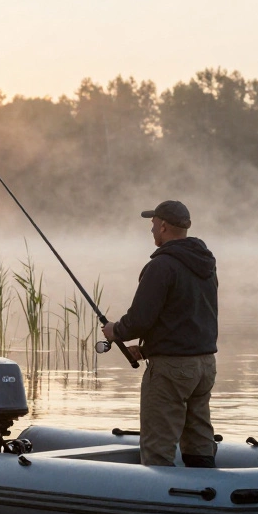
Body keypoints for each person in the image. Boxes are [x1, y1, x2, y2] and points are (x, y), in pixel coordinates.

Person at [101, 200, 218, 468]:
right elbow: (188, 314)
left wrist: (114, 330)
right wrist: (147, 349)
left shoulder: (162, 265)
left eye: (153, 224)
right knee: (199, 439)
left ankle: (162, 502)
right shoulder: (205, 264)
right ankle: (206, 497)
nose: (151, 229)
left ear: (163, 226)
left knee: (158, 447)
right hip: (204, 366)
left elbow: (139, 320)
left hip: (172, 371)